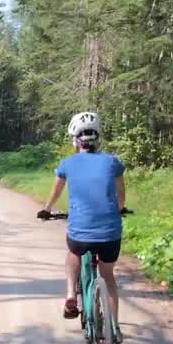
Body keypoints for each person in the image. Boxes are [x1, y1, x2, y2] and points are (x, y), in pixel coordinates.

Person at [37, 112, 127, 321]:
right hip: (110, 233)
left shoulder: (67, 163)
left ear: (76, 140)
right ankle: (113, 327)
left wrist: (47, 209)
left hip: (81, 233)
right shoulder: (113, 161)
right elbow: (120, 192)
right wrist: (120, 208)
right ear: (97, 139)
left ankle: (70, 295)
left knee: (73, 253)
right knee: (108, 276)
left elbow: (56, 192)